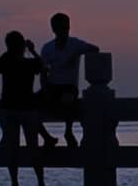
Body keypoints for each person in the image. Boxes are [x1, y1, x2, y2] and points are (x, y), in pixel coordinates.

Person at [0, 30, 49, 186]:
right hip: (28, 108)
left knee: (12, 149)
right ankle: (41, 184)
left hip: (9, 108)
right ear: (22, 45)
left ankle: (15, 185)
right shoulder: (29, 64)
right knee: (34, 148)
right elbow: (44, 66)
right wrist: (32, 50)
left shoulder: (5, 60)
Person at [38, 12, 99, 148]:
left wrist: (77, 54)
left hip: (69, 87)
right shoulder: (47, 48)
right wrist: (45, 89)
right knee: (28, 106)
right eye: (61, 28)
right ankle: (46, 137)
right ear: (54, 29)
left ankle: (68, 131)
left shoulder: (75, 44)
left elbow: (95, 49)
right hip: (52, 86)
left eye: (66, 28)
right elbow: (43, 72)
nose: (65, 31)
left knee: (68, 100)